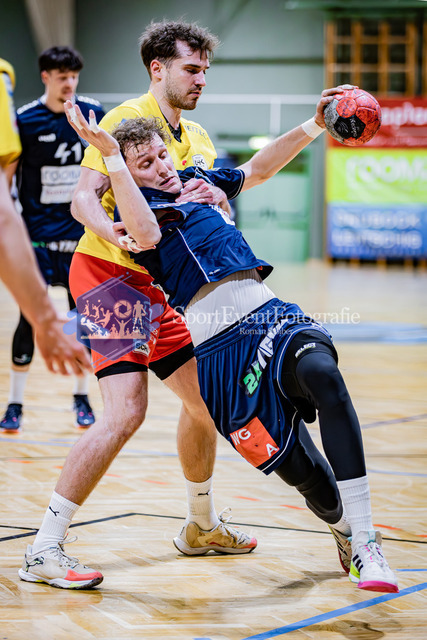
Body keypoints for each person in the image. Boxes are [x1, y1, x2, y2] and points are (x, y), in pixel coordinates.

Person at [58, 93, 400, 595]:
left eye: (162, 155)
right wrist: (112, 157)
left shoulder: (200, 180)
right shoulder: (138, 215)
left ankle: (368, 541)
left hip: (270, 317)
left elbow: (259, 168)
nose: (162, 167)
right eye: (146, 164)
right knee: (308, 477)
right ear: (127, 176)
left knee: (324, 375)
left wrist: (313, 125)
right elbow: (146, 232)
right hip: (221, 358)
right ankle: (345, 531)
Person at [17, 23, 257, 592]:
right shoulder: (125, 120)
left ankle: (201, 525)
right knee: (126, 412)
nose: (201, 79)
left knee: (205, 403)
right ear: (159, 69)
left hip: (153, 286)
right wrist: (115, 232)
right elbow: (82, 199)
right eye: (191, 69)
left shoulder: (195, 135)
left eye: (205, 70)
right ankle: (43, 548)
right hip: (108, 274)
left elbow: (230, 185)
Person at [0, 47, 104, 433]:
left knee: (84, 319)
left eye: (74, 76)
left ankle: (81, 397)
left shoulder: (93, 112)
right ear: (46, 77)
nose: (69, 83)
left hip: (81, 236)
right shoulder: (24, 120)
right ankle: (15, 403)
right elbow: (8, 178)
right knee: (29, 319)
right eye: (62, 77)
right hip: (39, 237)